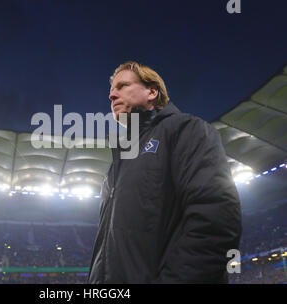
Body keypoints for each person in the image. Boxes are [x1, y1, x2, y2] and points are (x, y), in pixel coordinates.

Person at [87, 61, 242, 283]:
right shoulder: (119, 161)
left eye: (122, 86)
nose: (112, 96)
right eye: (111, 91)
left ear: (151, 92)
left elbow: (217, 220)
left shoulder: (187, 130)